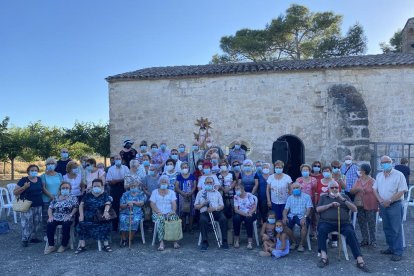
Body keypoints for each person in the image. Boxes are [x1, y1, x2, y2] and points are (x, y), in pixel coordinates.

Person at [316, 181, 369, 272]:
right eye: (332, 188)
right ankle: (324, 257)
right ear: (329, 189)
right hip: (327, 222)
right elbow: (318, 209)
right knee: (321, 229)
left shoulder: (344, 197)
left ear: (339, 188)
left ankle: (359, 260)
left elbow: (354, 209)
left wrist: (343, 200)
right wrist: (330, 205)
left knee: (351, 233)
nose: (335, 189)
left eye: (336, 187)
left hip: (344, 223)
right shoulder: (324, 197)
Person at [373, 155, 408, 262]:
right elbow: (375, 189)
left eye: (387, 161)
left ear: (392, 162)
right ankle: (391, 248)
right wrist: (380, 200)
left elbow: (402, 190)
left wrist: (389, 201)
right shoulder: (379, 175)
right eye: (383, 162)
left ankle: (398, 252)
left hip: (395, 205)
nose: (385, 164)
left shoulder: (399, 175)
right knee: (387, 228)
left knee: (396, 228)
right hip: (383, 205)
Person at [76, 179, 113, 253]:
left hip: (100, 217)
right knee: (81, 224)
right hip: (88, 217)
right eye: (94, 186)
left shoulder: (104, 194)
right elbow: (81, 205)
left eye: (98, 186)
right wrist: (81, 215)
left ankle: (106, 244)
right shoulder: (88, 195)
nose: (96, 187)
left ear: (102, 186)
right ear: (92, 186)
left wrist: (106, 212)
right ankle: (82, 246)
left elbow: (108, 203)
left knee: (107, 223)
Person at [194, 176, 229, 250]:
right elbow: (196, 206)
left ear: (213, 183)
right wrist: (203, 204)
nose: (209, 184)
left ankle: (225, 241)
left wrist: (214, 208)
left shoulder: (217, 193)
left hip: (216, 212)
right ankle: (205, 242)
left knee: (223, 219)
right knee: (203, 220)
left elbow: (222, 206)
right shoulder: (200, 193)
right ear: (204, 183)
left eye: (211, 182)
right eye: (207, 182)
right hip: (205, 212)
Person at [44, 181, 79, 254]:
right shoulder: (56, 197)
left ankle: (64, 245)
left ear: (70, 189)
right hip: (56, 216)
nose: (65, 189)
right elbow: (50, 208)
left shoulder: (73, 198)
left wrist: (70, 215)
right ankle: (51, 245)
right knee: (50, 224)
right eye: (63, 188)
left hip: (68, 216)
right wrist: (50, 216)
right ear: (60, 189)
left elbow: (76, 207)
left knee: (66, 225)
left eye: (67, 188)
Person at [14, 165, 43, 247]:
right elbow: (15, 192)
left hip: (38, 204)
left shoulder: (39, 179)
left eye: (36, 170)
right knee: (26, 223)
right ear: (28, 171)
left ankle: (33, 237)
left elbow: (42, 189)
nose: (34, 171)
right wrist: (24, 187)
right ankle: (25, 239)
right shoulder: (23, 180)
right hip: (27, 205)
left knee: (37, 222)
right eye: (32, 170)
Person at [350, 163, 378, 247]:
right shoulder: (358, 180)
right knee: (362, 222)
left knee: (371, 223)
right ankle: (365, 239)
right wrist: (357, 189)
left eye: (360, 169)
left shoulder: (373, 181)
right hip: (360, 204)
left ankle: (373, 241)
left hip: (370, 204)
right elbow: (351, 191)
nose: (359, 171)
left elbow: (376, 192)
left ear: (364, 171)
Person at [149, 175, 180, 251]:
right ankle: (161, 242)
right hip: (157, 213)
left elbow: (174, 203)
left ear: (168, 183)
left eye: (165, 182)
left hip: (169, 212)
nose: (163, 183)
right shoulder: (155, 192)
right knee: (160, 220)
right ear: (159, 183)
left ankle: (175, 241)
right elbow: (152, 203)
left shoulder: (171, 192)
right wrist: (158, 212)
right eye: (162, 182)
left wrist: (173, 211)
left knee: (174, 218)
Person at [283, 182, 312, 252]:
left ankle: (301, 244)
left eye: (297, 188)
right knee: (284, 225)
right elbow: (285, 209)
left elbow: (309, 209)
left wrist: (305, 217)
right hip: (292, 216)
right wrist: (284, 217)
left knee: (304, 225)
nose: (295, 189)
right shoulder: (290, 198)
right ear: (291, 189)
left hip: (302, 216)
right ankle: (294, 242)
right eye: (294, 188)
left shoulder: (307, 197)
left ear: (301, 188)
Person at [315, 166, 340, 247]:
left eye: (328, 171)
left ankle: (334, 239)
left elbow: (337, 191)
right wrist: (316, 203)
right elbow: (316, 193)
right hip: (321, 203)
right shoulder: (319, 182)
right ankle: (324, 237)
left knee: (333, 218)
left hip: (332, 203)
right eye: (325, 171)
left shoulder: (334, 181)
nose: (326, 172)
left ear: (330, 172)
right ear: (322, 172)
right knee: (322, 220)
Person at [119, 180, 147, 247]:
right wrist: (127, 204)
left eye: (135, 186)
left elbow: (142, 203)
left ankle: (130, 239)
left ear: (138, 186)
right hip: (125, 212)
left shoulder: (141, 194)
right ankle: (124, 239)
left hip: (137, 213)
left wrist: (134, 202)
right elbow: (121, 205)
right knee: (122, 219)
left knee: (135, 220)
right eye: (131, 186)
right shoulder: (125, 194)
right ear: (129, 187)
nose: (133, 187)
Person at [106, 155, 130, 231]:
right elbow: (110, 181)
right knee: (115, 207)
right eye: (116, 159)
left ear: (121, 160)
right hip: (114, 189)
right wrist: (121, 180)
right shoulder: (111, 169)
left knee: (124, 205)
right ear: (114, 160)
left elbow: (128, 178)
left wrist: (116, 180)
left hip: (124, 188)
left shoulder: (126, 168)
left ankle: (124, 224)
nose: (118, 160)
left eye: (119, 159)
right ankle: (115, 226)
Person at [41, 157, 63, 233]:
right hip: (46, 199)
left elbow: (61, 187)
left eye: (52, 163)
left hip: (58, 199)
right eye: (49, 164)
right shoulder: (43, 176)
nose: (50, 165)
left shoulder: (59, 175)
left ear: (55, 165)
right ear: (46, 165)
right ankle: (46, 232)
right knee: (46, 216)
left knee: (57, 215)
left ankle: (56, 232)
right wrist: (51, 196)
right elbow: (43, 188)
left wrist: (56, 197)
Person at [233, 184, 257, 249]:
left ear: (242, 189)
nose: (236, 191)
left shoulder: (249, 195)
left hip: (250, 213)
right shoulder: (235, 197)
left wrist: (250, 212)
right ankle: (237, 240)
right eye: (235, 189)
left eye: (238, 189)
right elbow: (236, 210)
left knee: (248, 219)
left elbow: (254, 206)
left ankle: (250, 242)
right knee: (236, 218)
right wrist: (245, 214)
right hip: (241, 213)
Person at [175, 162, 196, 232]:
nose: (185, 169)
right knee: (182, 212)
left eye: (186, 167)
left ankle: (190, 227)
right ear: (181, 169)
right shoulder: (179, 176)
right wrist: (182, 193)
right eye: (183, 167)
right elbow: (176, 187)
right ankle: (183, 227)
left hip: (191, 196)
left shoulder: (192, 176)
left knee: (191, 212)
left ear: (188, 168)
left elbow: (194, 186)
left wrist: (191, 193)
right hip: (181, 197)